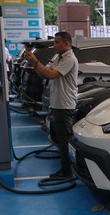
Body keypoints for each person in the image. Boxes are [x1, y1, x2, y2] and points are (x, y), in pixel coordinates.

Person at [23, 31, 79, 178]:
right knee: (60, 138)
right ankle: (65, 169)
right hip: (56, 103)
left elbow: (52, 74)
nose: (54, 46)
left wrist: (36, 62)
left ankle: (67, 171)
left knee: (65, 139)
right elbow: (45, 73)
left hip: (65, 104)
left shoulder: (69, 59)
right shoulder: (59, 58)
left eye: (56, 42)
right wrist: (34, 65)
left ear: (66, 44)